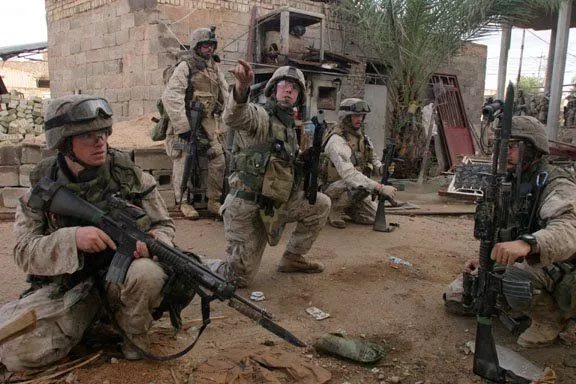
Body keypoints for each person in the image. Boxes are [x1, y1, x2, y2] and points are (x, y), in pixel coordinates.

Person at [0, 95, 176, 370]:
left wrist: (155, 242)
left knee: (147, 273)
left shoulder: (131, 177)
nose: (100, 142)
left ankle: (132, 333)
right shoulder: (41, 191)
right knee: (19, 354)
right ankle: (91, 322)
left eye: (103, 133)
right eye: (88, 136)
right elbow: (24, 251)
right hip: (66, 286)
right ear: (64, 143)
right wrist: (72, 239)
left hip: (120, 283)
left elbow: (163, 224)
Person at [443, 116, 576, 348]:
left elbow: (569, 227)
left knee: (515, 278)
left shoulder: (555, 182)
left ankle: (552, 320)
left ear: (533, 149)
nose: (505, 154)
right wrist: (484, 259)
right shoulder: (510, 181)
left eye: (513, 147)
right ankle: (519, 301)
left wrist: (529, 243)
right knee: (457, 297)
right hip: (527, 261)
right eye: (502, 147)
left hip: (560, 265)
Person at [216, 60, 331, 288]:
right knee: (237, 278)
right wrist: (241, 88)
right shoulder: (261, 117)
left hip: (275, 205)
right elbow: (235, 116)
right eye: (284, 84)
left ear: (299, 96)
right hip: (248, 208)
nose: (289, 89)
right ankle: (194, 263)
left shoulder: (290, 128)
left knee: (320, 204)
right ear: (272, 89)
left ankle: (293, 258)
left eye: (294, 87)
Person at [162, 26, 229, 219]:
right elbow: (171, 96)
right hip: (186, 120)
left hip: (206, 122)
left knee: (218, 158)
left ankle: (213, 201)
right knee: (184, 159)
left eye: (211, 45)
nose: (209, 49)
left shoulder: (214, 68)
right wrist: (182, 127)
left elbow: (225, 93)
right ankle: (182, 201)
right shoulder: (186, 66)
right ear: (196, 46)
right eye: (205, 45)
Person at [320, 98, 396, 228]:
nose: (359, 119)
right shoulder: (337, 140)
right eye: (355, 115)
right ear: (346, 117)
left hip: (353, 186)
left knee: (372, 217)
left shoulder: (362, 137)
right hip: (334, 187)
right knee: (360, 184)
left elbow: (373, 158)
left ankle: (347, 207)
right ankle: (334, 208)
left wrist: (382, 169)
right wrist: (379, 188)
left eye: (361, 115)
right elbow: (349, 175)